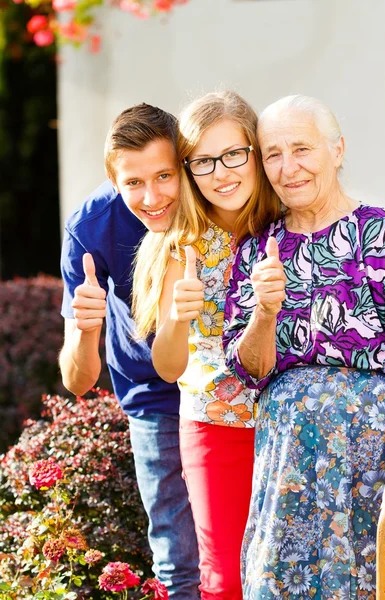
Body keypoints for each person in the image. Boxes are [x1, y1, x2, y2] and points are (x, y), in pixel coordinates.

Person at [223, 94, 385, 599]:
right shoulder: (256, 249)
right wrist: (265, 310)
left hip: (377, 462)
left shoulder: (382, 234)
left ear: (337, 150)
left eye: (302, 149)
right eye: (272, 154)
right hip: (289, 463)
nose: (288, 168)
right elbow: (250, 371)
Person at [131, 91, 282, 600]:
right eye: (203, 162)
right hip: (216, 430)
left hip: (291, 426)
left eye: (234, 154)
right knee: (226, 578)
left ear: (256, 153)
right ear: (189, 169)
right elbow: (168, 368)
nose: (222, 173)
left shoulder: (290, 226)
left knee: (291, 569)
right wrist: (176, 317)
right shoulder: (181, 244)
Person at [58, 103, 200, 599]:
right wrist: (82, 330)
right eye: (133, 183)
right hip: (153, 394)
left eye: (164, 175)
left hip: (231, 390)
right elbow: (77, 381)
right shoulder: (90, 230)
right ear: (112, 180)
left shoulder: (208, 196)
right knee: (178, 558)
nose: (153, 196)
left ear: (183, 166)